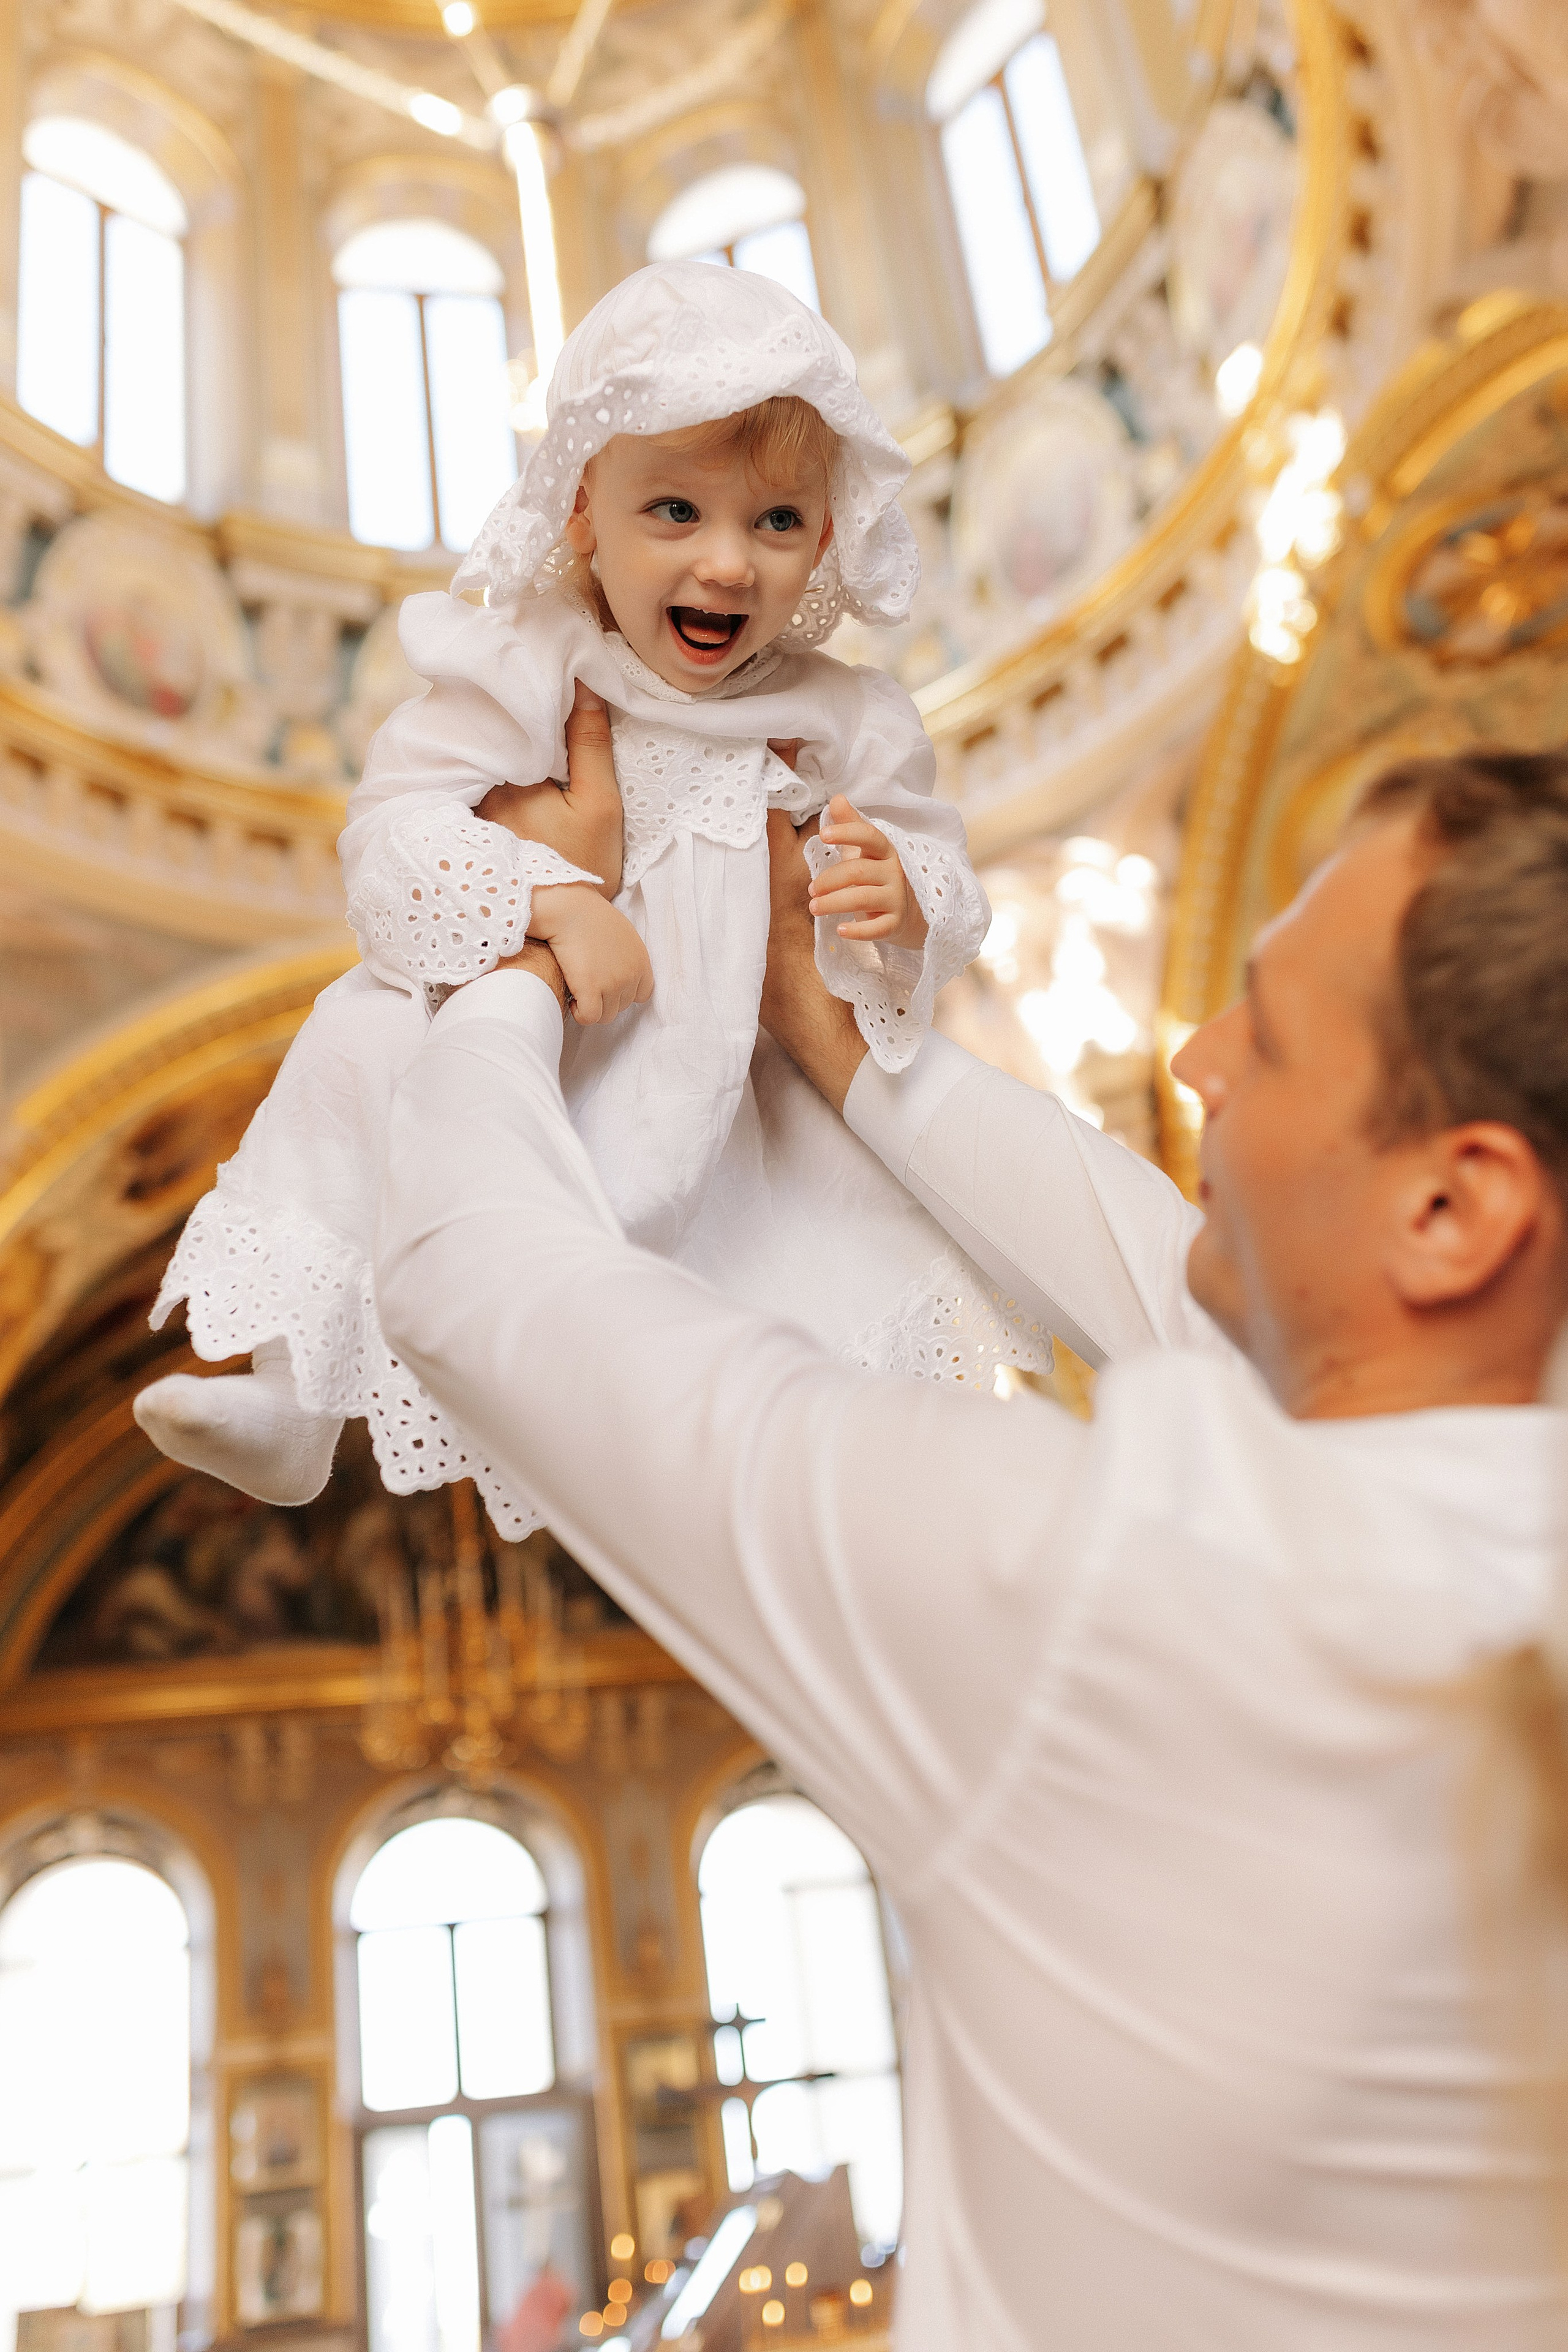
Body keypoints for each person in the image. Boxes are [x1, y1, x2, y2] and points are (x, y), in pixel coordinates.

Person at [374, 738, 1568, 2348]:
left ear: (1455, 1210)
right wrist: (836, 1035)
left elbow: (474, 1276)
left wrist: (527, 939)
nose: (1202, 1058)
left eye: (1272, 1034)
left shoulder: (1123, 1596)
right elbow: (1158, 1274)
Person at [133, 262, 1038, 1537]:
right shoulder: (521, 659)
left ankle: (851, 1450)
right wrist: (549, 901)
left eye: (777, 523)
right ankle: (294, 1388)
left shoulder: (840, 712)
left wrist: (904, 892)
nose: (727, 565)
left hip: (732, 1077)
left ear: (826, 537)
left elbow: (932, 856)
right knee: (361, 1041)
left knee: (828, 1203)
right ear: (579, 516)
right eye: (675, 510)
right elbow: (391, 834)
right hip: (529, 1038)